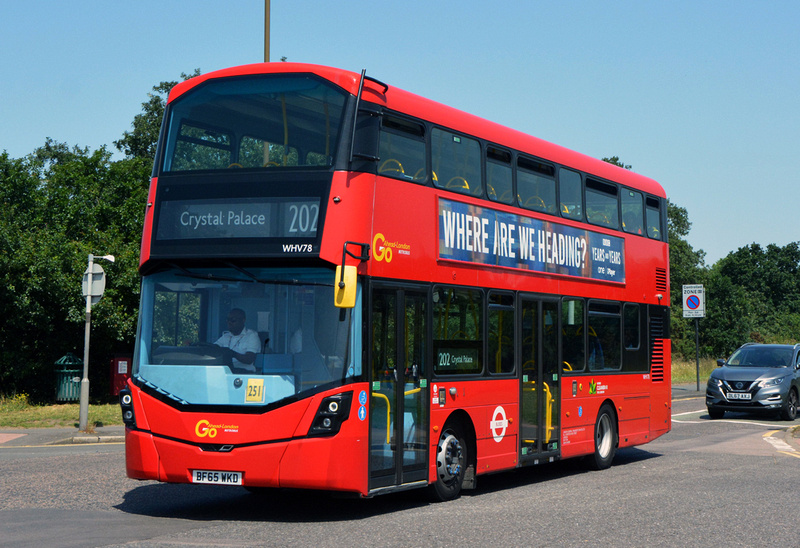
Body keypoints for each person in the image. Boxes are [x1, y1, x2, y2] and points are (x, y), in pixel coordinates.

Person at [214, 308, 261, 373]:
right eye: (228, 320)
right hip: (226, 371)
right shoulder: (225, 336)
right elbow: (214, 348)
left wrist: (232, 354)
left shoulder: (251, 335)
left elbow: (249, 359)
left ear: (243, 320)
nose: (229, 322)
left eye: (233, 320)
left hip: (245, 373)